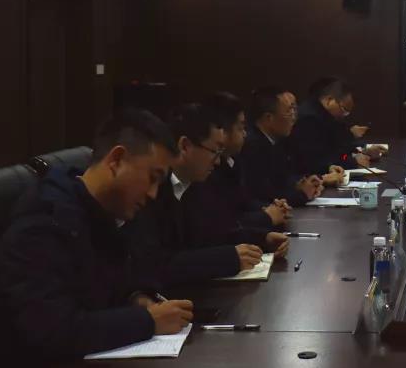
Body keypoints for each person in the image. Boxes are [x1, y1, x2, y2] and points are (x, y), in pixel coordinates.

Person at [0, 109, 194, 368]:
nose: (153, 194)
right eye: (152, 178)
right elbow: (54, 331)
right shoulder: (44, 221)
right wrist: (148, 321)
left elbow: (126, 277)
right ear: (117, 160)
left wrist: (137, 297)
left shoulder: (106, 211)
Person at [122, 104, 284, 286]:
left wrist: (263, 239)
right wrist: (226, 258)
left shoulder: (198, 185)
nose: (218, 161)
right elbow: (156, 263)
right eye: (215, 151)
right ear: (185, 146)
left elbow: (216, 232)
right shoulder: (151, 189)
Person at [181, 93, 292, 254]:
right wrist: (266, 216)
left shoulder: (230, 162)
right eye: (241, 128)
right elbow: (222, 225)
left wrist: (264, 237)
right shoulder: (194, 179)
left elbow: (225, 224)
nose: (245, 134)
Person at [238, 86, 328, 207]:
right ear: (269, 118)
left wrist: (301, 182)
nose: (293, 117)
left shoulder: (276, 141)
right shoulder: (252, 146)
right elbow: (264, 195)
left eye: (294, 110)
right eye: (289, 111)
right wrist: (302, 194)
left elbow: (284, 178)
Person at [286, 77, 383, 176]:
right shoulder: (309, 118)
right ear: (329, 100)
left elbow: (340, 146)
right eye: (344, 109)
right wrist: (353, 162)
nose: (344, 115)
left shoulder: (324, 114)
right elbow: (315, 161)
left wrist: (363, 151)